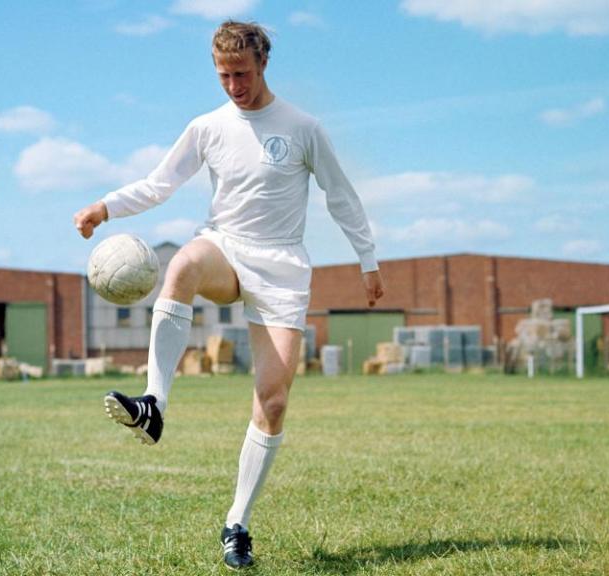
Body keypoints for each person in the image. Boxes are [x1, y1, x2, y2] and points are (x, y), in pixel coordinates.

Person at [73, 20, 384, 570]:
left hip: (283, 266)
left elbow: (341, 195)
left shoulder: (302, 127)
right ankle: (154, 405)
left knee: (274, 401)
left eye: (241, 74)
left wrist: (367, 260)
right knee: (184, 264)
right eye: (223, 75)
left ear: (262, 65)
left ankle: (236, 522)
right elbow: (159, 182)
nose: (234, 85)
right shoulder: (207, 126)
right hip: (228, 247)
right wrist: (107, 206)